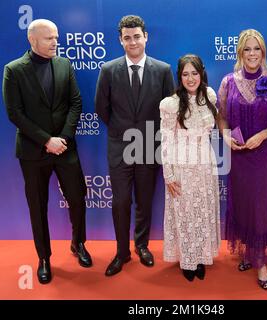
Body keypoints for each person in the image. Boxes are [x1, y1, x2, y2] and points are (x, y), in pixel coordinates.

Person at [2, 19, 92, 285]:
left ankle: (78, 243)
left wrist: (62, 138)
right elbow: (14, 113)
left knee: (78, 197)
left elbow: (75, 102)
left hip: (65, 148)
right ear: (32, 40)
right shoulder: (14, 70)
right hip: (33, 152)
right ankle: (44, 257)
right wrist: (46, 140)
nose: (55, 42)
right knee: (38, 206)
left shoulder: (64, 64)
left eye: (56, 37)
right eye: (49, 38)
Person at [95, 15, 175, 277]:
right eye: (127, 38)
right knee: (119, 202)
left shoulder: (162, 70)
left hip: (149, 145)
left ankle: (142, 246)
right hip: (120, 146)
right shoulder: (108, 70)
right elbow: (102, 109)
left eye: (137, 36)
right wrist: (122, 132)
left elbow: (170, 111)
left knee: (144, 201)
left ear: (146, 37)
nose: (132, 41)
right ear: (121, 40)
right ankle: (121, 252)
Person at [217, 29, 267, 290]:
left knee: (261, 204)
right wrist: (225, 136)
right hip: (238, 155)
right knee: (243, 202)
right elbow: (222, 116)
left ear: (263, 52)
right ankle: (249, 252)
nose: (252, 54)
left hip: (265, 153)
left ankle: (261, 261)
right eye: (247, 49)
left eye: (256, 49)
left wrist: (263, 135)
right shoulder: (227, 82)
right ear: (240, 52)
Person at [160, 54, 220, 282]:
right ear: (179, 77)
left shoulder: (210, 96)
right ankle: (187, 259)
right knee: (184, 214)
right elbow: (166, 140)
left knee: (202, 211)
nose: (190, 78)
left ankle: (201, 256)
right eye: (185, 74)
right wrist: (169, 173)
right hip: (181, 166)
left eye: (194, 73)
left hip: (206, 164)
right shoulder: (170, 104)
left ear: (201, 73)